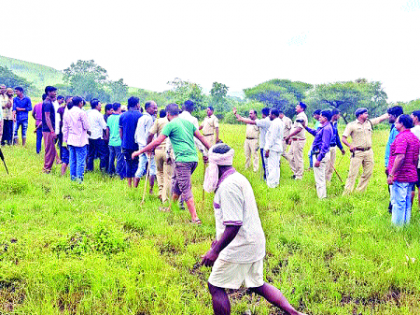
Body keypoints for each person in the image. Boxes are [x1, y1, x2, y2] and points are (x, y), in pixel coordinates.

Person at [201, 143, 306, 315]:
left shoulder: (228, 186)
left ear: (215, 165)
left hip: (239, 246)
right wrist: (218, 241)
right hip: (252, 242)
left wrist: (215, 251)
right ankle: (294, 313)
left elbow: (234, 224)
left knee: (216, 286)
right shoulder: (238, 178)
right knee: (257, 284)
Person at [132, 103, 210, 224]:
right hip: (194, 160)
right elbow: (201, 138)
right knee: (177, 184)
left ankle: (195, 218)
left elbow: (157, 141)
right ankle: (171, 208)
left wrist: (140, 151)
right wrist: (211, 150)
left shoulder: (170, 124)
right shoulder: (188, 123)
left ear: (168, 114)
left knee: (185, 187)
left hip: (183, 160)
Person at [341, 108, 389, 194]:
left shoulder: (369, 123)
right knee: (352, 174)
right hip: (357, 152)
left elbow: (379, 119)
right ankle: (347, 193)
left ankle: (359, 192)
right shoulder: (351, 125)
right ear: (360, 115)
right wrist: (349, 145)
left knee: (368, 172)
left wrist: (388, 114)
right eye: (365, 113)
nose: (367, 115)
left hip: (368, 151)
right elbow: (343, 138)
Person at [387, 115, 420, 226]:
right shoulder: (414, 137)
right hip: (411, 173)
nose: (395, 124)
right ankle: (405, 224)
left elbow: (400, 157)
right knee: (406, 201)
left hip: (401, 174)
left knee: (398, 201)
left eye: (396, 122)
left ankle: (397, 227)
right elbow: (415, 158)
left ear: (402, 124)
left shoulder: (402, 138)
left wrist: (391, 174)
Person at [234, 107, 271, 180]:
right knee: (247, 155)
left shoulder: (259, 122)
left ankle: (255, 169)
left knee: (255, 155)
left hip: (254, 140)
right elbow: (241, 118)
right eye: (249, 114)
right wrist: (235, 114)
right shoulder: (248, 121)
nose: (250, 115)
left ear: (255, 114)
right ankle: (247, 167)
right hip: (247, 139)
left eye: (251, 113)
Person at [303, 110, 333, 199]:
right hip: (318, 153)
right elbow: (316, 133)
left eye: (321, 116)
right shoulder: (324, 127)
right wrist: (306, 127)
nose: (319, 118)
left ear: (325, 118)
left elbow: (325, 145)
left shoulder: (327, 129)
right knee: (320, 177)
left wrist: (319, 159)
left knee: (320, 178)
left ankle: (322, 197)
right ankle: (322, 196)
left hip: (320, 154)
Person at [63, 96, 90, 182]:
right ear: (80, 103)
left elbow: (65, 128)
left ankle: (73, 179)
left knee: (72, 160)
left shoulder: (67, 112)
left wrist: (65, 140)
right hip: (80, 141)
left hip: (70, 140)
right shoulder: (81, 113)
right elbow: (86, 126)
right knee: (80, 161)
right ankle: (79, 181)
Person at [148, 108, 172, 203]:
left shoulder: (158, 121)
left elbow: (150, 134)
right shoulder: (172, 122)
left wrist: (149, 146)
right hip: (168, 151)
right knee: (168, 175)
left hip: (158, 150)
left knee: (159, 172)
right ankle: (165, 198)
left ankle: (160, 192)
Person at [134, 101, 158, 192]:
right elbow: (150, 135)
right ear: (147, 108)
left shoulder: (141, 118)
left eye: (156, 107)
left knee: (141, 167)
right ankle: (151, 190)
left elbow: (136, 134)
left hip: (140, 145)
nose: (155, 110)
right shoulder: (149, 119)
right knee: (152, 168)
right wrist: (150, 147)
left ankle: (135, 189)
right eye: (153, 108)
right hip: (147, 146)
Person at [384, 106, 404, 212]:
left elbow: (396, 149)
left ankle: (394, 208)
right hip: (391, 161)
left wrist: (389, 164)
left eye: (390, 115)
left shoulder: (398, 129)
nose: (388, 117)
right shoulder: (394, 127)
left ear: (395, 116)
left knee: (394, 185)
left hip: (394, 162)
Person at [119, 96, 142, 187]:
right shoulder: (141, 116)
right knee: (136, 164)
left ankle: (129, 185)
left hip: (126, 144)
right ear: (137, 104)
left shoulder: (123, 115)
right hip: (137, 144)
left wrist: (123, 141)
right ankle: (135, 185)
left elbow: (120, 131)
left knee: (128, 163)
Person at [284, 102, 308, 180]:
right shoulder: (298, 116)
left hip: (299, 140)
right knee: (290, 156)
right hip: (294, 140)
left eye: (297, 107)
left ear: (302, 108)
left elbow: (299, 129)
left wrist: (289, 136)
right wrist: (291, 138)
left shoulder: (301, 116)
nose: (296, 108)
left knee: (298, 158)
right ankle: (296, 172)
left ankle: (299, 176)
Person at [86, 99, 108, 172]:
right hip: (98, 137)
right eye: (100, 105)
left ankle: (89, 169)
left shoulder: (87, 113)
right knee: (103, 154)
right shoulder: (99, 114)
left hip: (89, 136)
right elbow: (104, 126)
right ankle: (103, 169)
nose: (101, 107)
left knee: (90, 154)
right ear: (96, 106)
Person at [264, 108, 284, 188]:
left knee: (271, 166)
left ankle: (271, 184)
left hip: (273, 147)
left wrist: (267, 149)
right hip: (278, 146)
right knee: (276, 166)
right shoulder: (280, 122)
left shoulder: (275, 123)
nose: (269, 116)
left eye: (270, 114)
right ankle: (275, 182)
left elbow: (272, 137)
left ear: (273, 115)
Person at [326, 109, 346, 182]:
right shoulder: (327, 123)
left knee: (331, 168)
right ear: (335, 115)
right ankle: (322, 183)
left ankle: (328, 183)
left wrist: (341, 148)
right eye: (339, 115)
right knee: (326, 166)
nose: (339, 116)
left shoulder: (335, 124)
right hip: (327, 148)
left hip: (334, 147)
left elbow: (337, 136)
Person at [41, 86, 58, 174]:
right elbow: (47, 117)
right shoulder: (47, 103)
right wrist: (52, 130)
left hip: (49, 129)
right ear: (48, 92)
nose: (55, 93)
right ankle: (46, 169)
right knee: (49, 150)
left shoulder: (49, 102)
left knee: (51, 150)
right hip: (48, 130)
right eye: (53, 92)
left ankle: (48, 169)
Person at [107, 103, 125, 179]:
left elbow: (107, 129)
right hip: (119, 141)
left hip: (111, 141)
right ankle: (118, 174)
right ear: (119, 108)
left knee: (111, 158)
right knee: (119, 159)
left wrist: (107, 138)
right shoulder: (121, 117)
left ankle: (110, 172)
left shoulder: (109, 117)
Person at [57, 96, 71, 176]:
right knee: (63, 146)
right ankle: (63, 160)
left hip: (69, 133)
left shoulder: (73, 110)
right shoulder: (60, 109)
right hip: (62, 131)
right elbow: (58, 120)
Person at [409, 111, 420, 208]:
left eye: (411, 116)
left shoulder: (412, 131)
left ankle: (408, 209)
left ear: (416, 118)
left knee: (411, 187)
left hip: (414, 162)